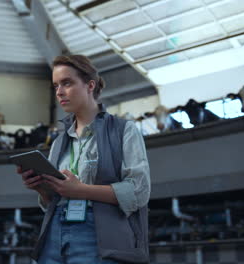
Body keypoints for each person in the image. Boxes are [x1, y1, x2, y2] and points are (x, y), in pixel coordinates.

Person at [17, 55, 151, 264]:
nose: (59, 92)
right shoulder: (59, 142)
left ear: (90, 85)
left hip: (99, 234)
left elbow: (139, 191)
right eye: (56, 85)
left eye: (67, 83)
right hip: (54, 232)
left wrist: (80, 191)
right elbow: (52, 200)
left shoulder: (124, 130)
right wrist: (41, 188)